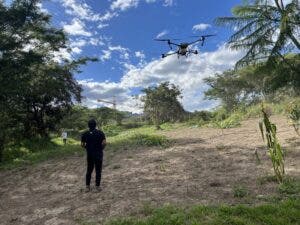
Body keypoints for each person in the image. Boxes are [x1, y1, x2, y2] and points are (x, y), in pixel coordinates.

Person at [81, 119, 106, 192]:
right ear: (96, 125)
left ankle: (87, 187)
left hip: (90, 154)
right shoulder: (100, 133)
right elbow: (104, 143)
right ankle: (97, 187)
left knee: (89, 170)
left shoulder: (85, 134)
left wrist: (87, 148)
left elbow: (82, 144)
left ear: (88, 125)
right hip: (98, 154)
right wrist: (101, 148)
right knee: (98, 171)